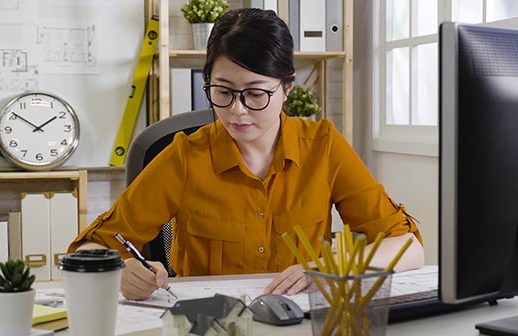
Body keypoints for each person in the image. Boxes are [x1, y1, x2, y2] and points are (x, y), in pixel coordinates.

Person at [68, 8, 424, 300]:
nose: (237, 111)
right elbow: (87, 249)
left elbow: (408, 247)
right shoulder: (184, 158)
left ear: (286, 88)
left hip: (297, 320)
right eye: (222, 92)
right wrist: (120, 272)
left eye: (256, 94)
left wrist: (333, 266)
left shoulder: (324, 147)